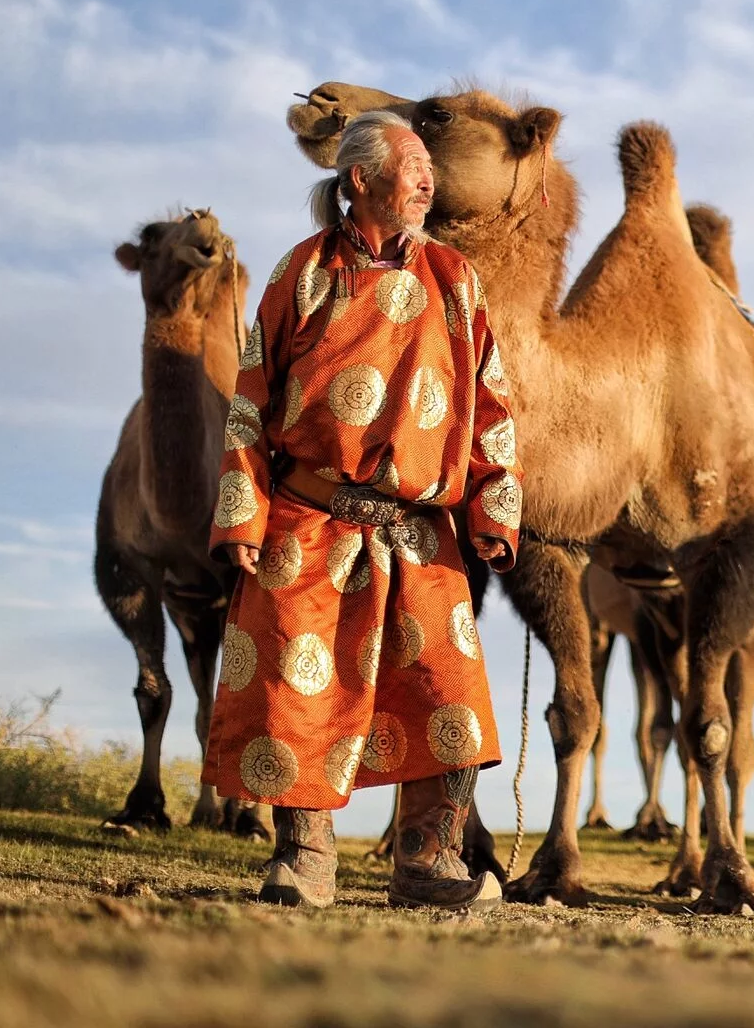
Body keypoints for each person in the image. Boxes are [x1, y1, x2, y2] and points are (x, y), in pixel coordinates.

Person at [204, 110, 523, 909]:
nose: (428, 182)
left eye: (429, 170)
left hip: (419, 530)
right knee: (296, 690)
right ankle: (305, 861)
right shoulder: (302, 271)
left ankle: (428, 864)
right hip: (309, 517)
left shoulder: (454, 276)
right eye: (414, 167)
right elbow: (250, 400)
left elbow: (490, 399)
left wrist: (494, 505)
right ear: (361, 179)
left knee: (445, 694)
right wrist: (242, 514)